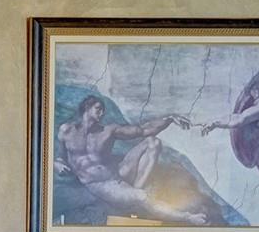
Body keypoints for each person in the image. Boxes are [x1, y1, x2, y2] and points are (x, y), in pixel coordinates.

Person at [55, 95, 206, 225]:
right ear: (87, 108)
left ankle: (135, 191)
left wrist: (170, 119)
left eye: (103, 110)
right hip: (101, 184)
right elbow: (59, 155)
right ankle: (189, 218)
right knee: (143, 197)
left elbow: (144, 130)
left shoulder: (107, 131)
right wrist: (57, 164)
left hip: (118, 171)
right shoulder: (66, 130)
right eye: (98, 108)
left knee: (152, 141)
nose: (102, 113)